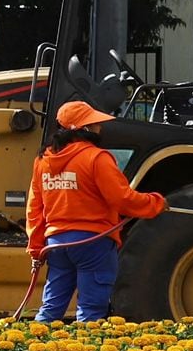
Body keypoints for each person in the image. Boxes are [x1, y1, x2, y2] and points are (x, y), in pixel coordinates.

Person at [26, 100, 167, 322]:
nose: (100, 127)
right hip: (93, 242)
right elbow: (123, 200)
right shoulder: (97, 158)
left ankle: (35, 349)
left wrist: (36, 248)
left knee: (51, 308)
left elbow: (35, 209)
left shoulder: (43, 161)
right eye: (95, 123)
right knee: (91, 310)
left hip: (57, 245)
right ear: (85, 129)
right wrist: (157, 203)